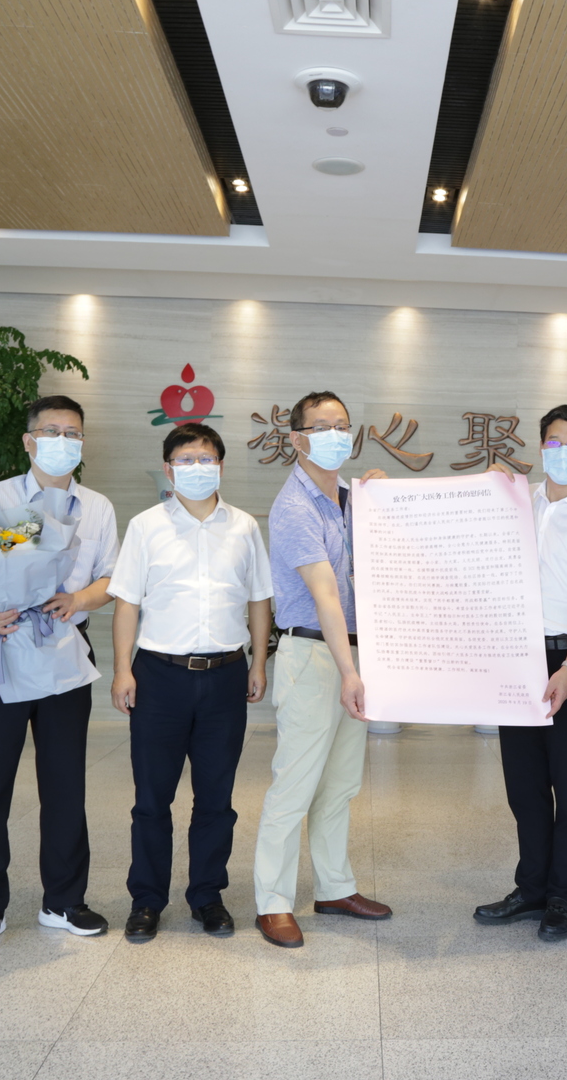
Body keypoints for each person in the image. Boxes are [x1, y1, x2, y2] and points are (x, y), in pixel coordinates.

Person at [0, 394, 117, 952]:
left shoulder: (98, 507)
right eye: (51, 431)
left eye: (73, 433)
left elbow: (112, 578)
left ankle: (63, 900)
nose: (63, 441)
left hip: (66, 652)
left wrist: (78, 598)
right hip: (1, 647)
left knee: (65, 783)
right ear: (28, 440)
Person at [108, 423, 272, 943]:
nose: (196, 468)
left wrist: (258, 663)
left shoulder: (243, 526)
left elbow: (259, 598)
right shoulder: (145, 526)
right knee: (151, 798)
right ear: (168, 468)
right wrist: (122, 668)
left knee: (216, 798)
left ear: (220, 465)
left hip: (226, 676)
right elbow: (127, 603)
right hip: (160, 677)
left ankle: (207, 896)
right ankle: (146, 900)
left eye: (206, 459)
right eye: (185, 460)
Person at [475, 403, 567, 942]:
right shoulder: (524, 500)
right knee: (524, 784)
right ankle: (531, 887)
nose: (562, 452)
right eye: (553, 443)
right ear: (541, 448)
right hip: (517, 657)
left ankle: (563, 897)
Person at [252, 391, 392, 948]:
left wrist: (382, 500)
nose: (335, 435)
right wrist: (348, 672)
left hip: (353, 655)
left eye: (342, 426)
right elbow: (326, 595)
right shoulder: (294, 506)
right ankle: (273, 901)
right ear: (297, 439)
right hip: (314, 656)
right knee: (295, 783)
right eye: (321, 427)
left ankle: (334, 888)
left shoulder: (349, 499)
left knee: (339, 784)